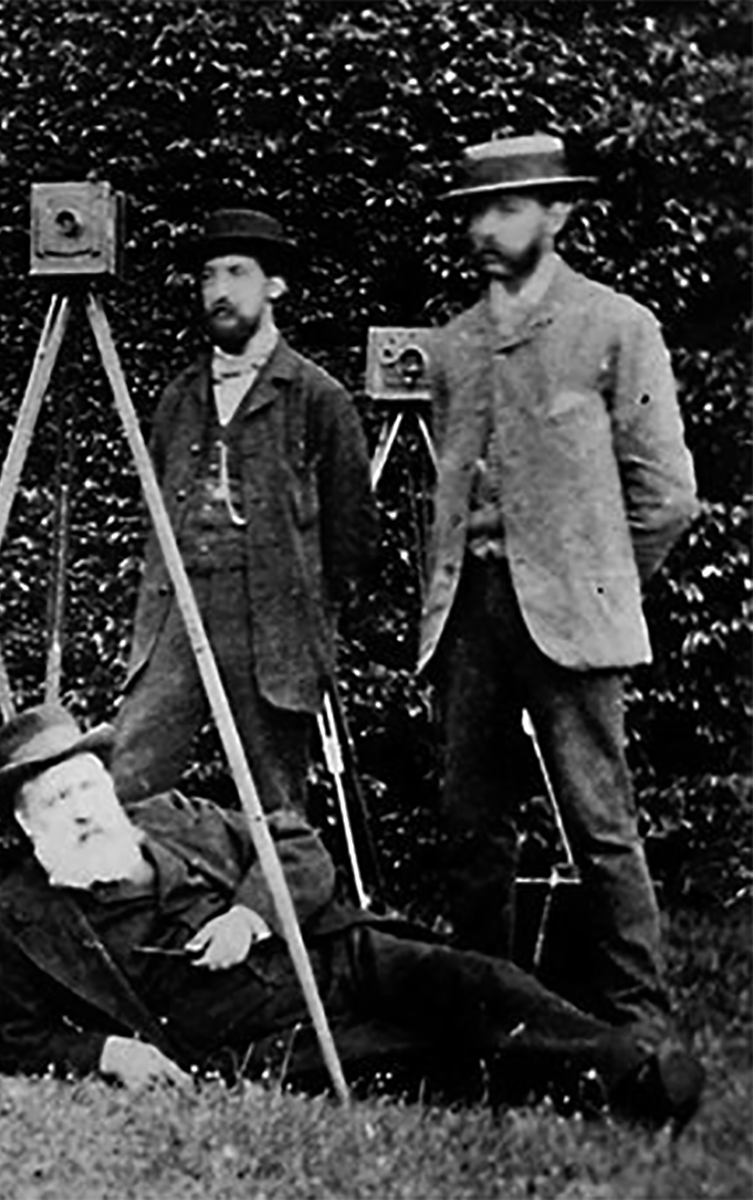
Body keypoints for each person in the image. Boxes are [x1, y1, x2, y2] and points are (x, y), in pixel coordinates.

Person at [0, 704, 703, 1129]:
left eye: (85, 788)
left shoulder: (176, 817)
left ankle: (626, 1060)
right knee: (424, 1057)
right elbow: (7, 1038)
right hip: (265, 1040)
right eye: (55, 801)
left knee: (472, 981)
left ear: (108, 785)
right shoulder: (22, 914)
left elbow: (295, 844)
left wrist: (249, 917)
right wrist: (110, 1053)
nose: (81, 811)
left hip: (336, 956)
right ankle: (617, 1088)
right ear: (27, 825)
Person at [419, 135, 700, 1033]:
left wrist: (600, 584)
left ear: (559, 213)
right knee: (472, 827)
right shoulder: (454, 346)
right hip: (471, 614)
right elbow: (448, 493)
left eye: (506, 209)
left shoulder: (615, 326)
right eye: (475, 211)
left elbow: (667, 496)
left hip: (574, 615)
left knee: (599, 821)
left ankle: (638, 1024)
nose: (485, 229)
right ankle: (488, 1023)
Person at [108, 208, 375, 815]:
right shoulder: (179, 398)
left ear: (274, 285)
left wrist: (309, 616)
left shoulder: (318, 398)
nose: (219, 291)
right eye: (208, 277)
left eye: (236, 273)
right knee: (130, 778)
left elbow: (352, 535)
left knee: (276, 798)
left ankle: (280, 883)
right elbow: (156, 508)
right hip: (178, 612)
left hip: (273, 623)